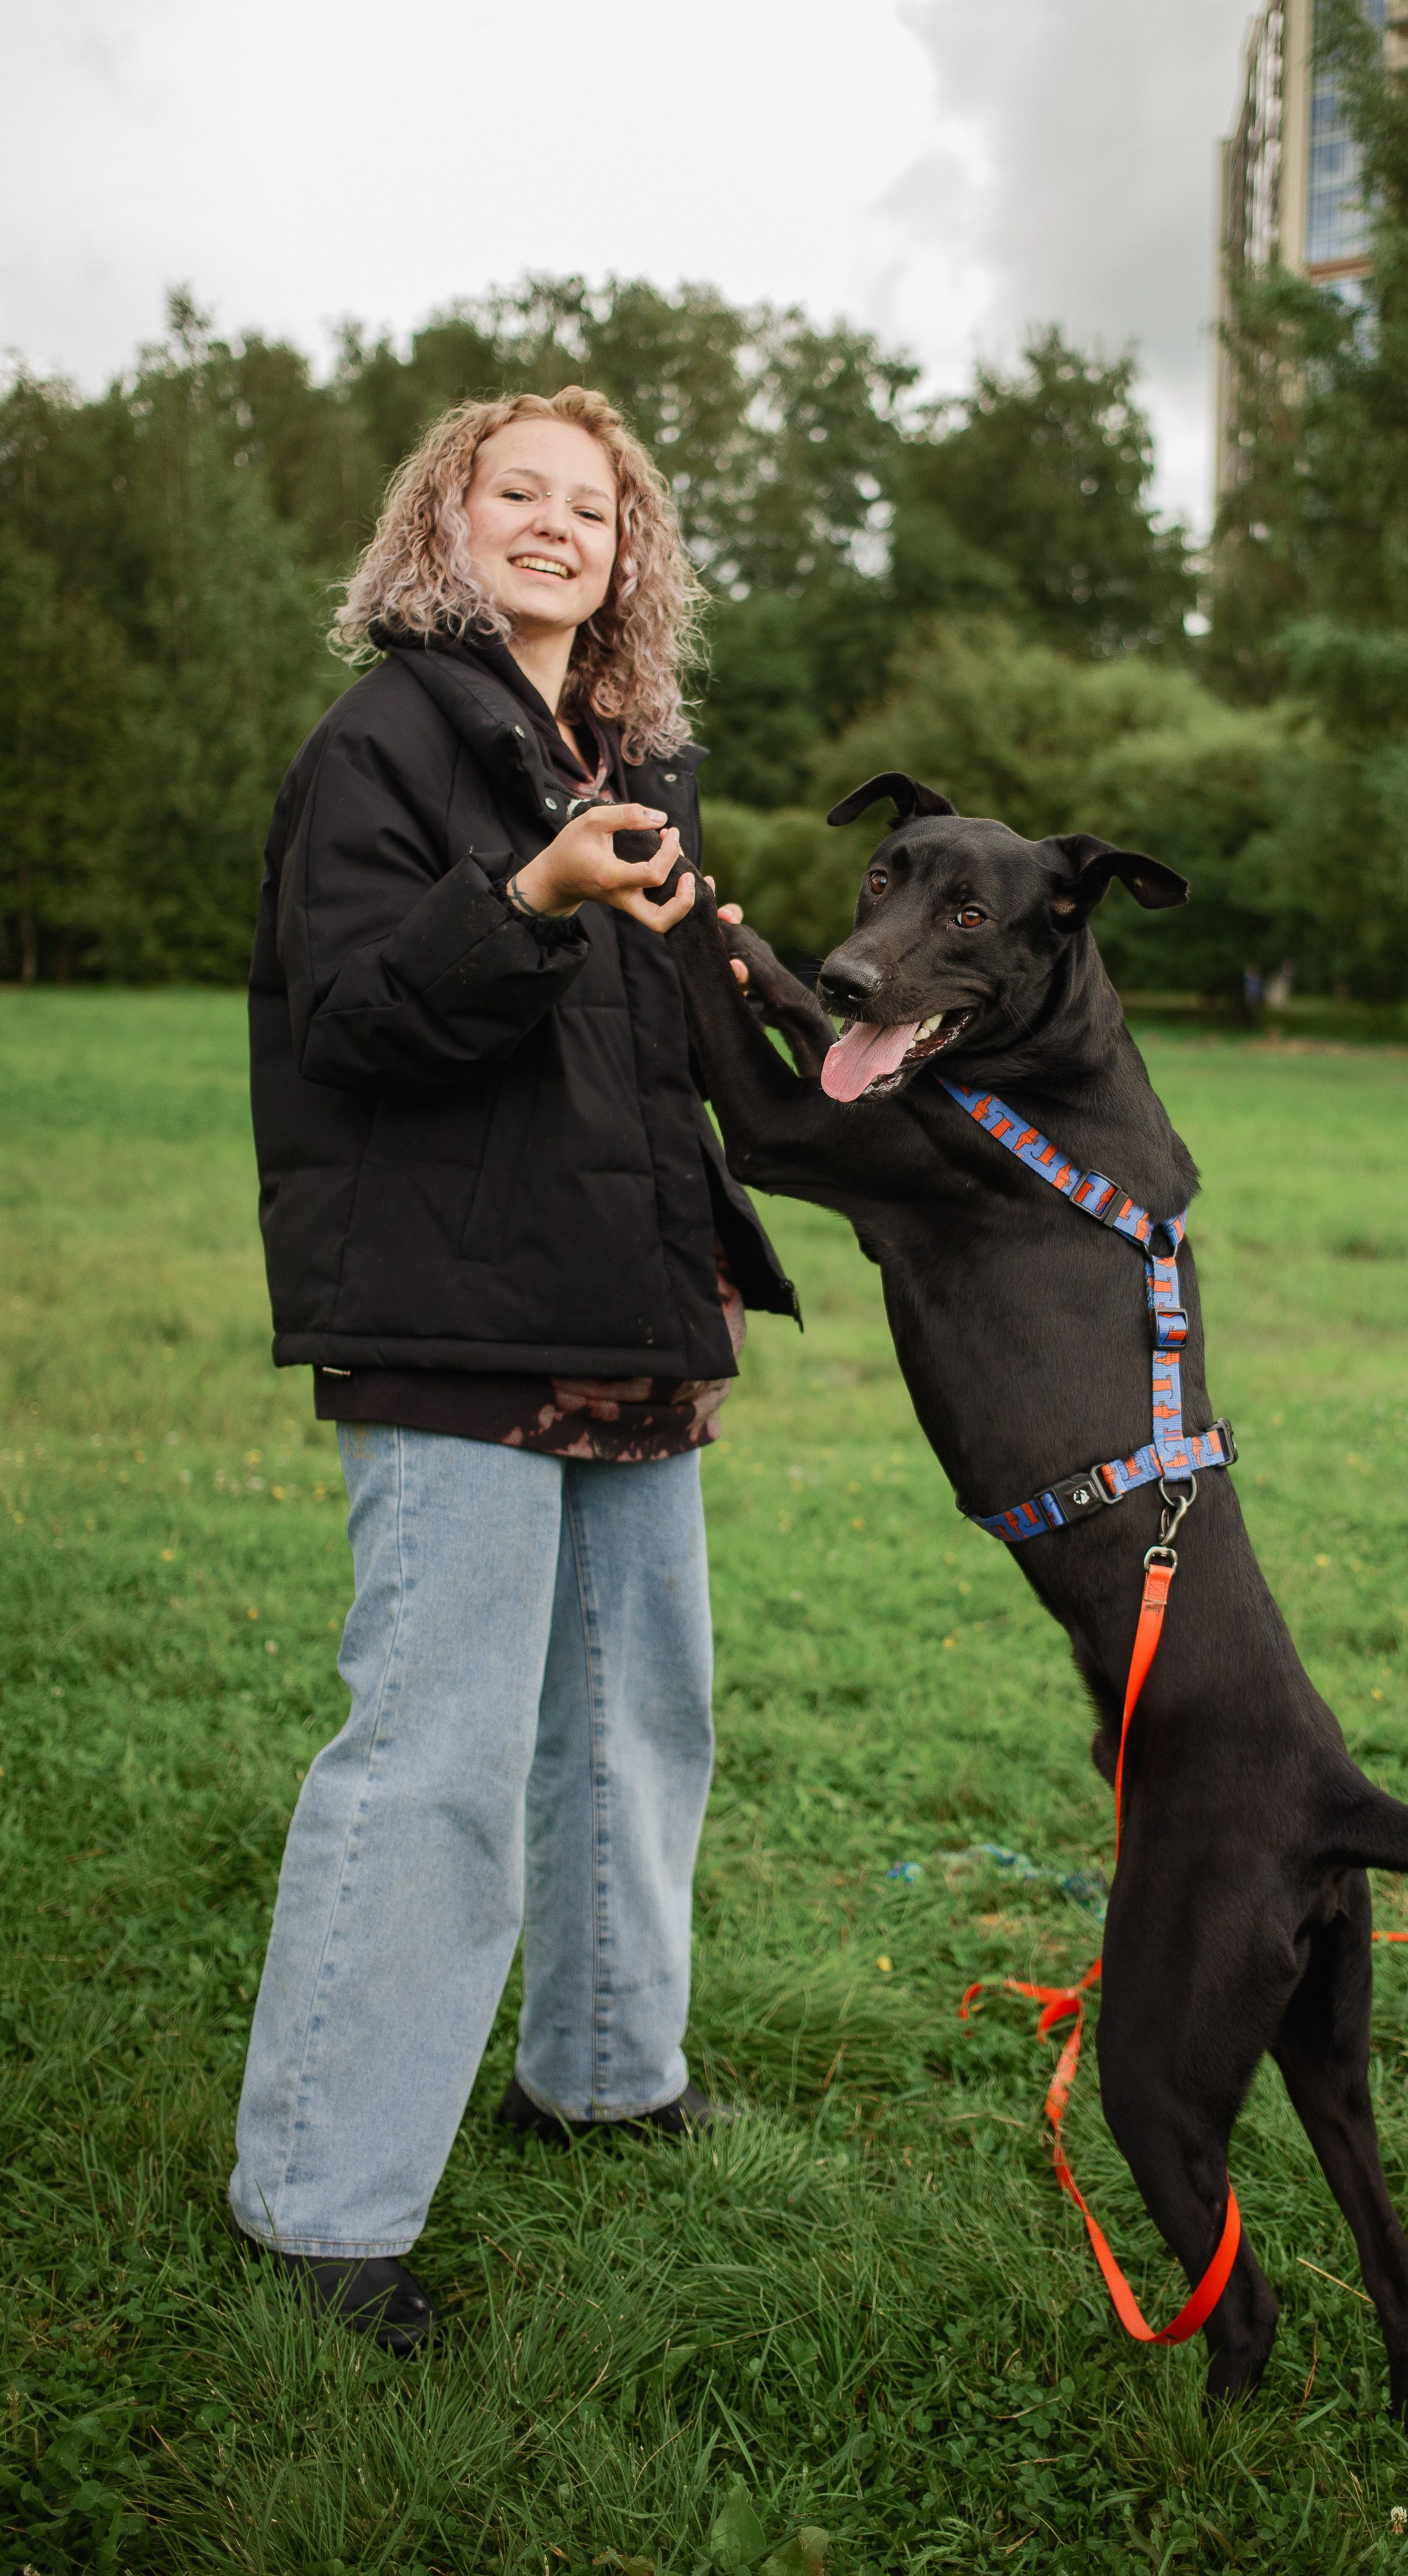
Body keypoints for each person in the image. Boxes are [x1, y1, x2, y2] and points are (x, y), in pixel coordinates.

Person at [231, 388, 794, 2352]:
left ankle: (609, 2074)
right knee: (438, 1755)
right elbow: (359, 1011)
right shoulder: (383, 740)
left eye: (596, 504)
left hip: (628, 1309)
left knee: (645, 1717)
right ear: (444, 525)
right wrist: (528, 899)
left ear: (633, 553)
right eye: (519, 494)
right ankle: (319, 2204)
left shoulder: (639, 754)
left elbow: (668, 1058)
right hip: (455, 1316)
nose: (560, 525)